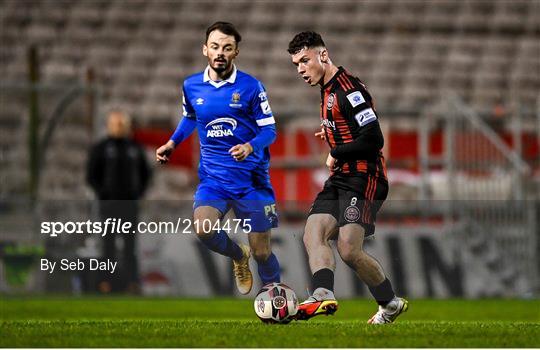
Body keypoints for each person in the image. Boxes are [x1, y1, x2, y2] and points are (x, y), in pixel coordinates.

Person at [287, 31, 408, 324]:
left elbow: (374, 138)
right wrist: (331, 134)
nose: (301, 69)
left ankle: (389, 303)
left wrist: (337, 150)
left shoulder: (348, 89)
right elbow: (348, 126)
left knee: (348, 249)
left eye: (305, 60)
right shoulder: (326, 89)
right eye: (296, 64)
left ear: (323, 55)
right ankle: (322, 294)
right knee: (312, 232)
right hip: (341, 178)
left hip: (365, 178)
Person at [156, 22, 280, 295]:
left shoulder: (251, 87)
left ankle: (275, 296)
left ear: (236, 52)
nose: (220, 52)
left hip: (252, 181)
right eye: (215, 47)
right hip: (215, 180)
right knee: (203, 229)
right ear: (205, 50)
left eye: (227, 47)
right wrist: (172, 142)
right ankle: (238, 255)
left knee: (262, 252)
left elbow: (270, 130)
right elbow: (190, 118)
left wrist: (250, 146)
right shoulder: (191, 86)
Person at [86, 109, 151, 293]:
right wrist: (103, 194)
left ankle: (132, 283)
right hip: (109, 205)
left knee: (130, 246)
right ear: (109, 126)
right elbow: (92, 176)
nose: (119, 127)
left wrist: (138, 193)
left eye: (122, 123)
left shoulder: (135, 148)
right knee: (108, 245)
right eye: (116, 123)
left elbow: (145, 174)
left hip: (130, 205)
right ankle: (106, 282)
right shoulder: (101, 148)